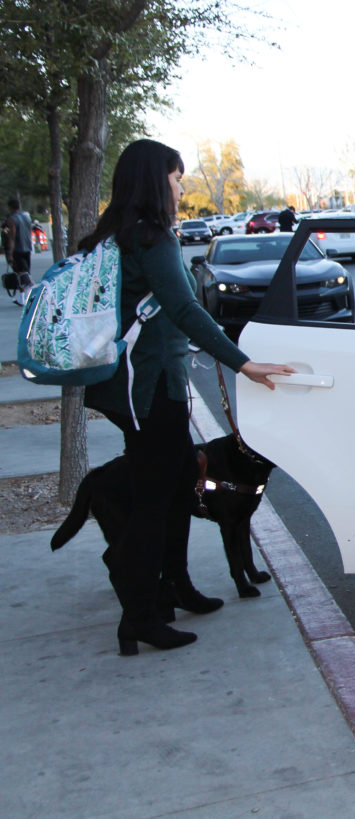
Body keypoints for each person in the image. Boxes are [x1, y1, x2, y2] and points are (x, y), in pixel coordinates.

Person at [78, 139, 295, 656]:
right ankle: (139, 615)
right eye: (176, 178)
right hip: (153, 391)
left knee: (177, 486)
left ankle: (175, 584)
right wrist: (242, 362)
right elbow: (185, 310)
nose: (181, 187)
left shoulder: (113, 236)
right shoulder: (153, 239)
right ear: (157, 181)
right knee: (154, 504)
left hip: (126, 388)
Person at [5, 198, 33, 306]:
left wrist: (10, 253)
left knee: (21, 274)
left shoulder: (12, 219)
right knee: (25, 273)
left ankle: (27, 296)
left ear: (11, 207)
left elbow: (12, 236)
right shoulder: (26, 218)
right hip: (27, 248)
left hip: (18, 249)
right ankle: (24, 297)